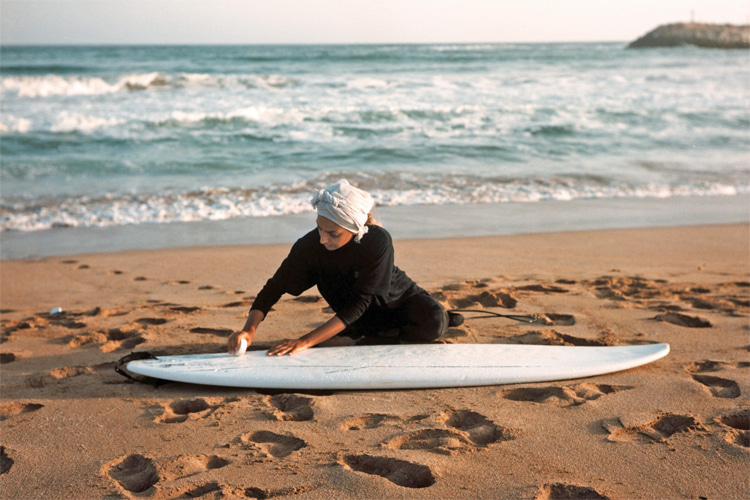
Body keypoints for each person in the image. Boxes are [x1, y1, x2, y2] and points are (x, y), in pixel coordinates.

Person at [227, 179, 461, 357]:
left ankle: (382, 336)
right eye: (319, 228)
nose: (322, 239)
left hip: (400, 307)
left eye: (333, 233)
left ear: (355, 230)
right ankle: (376, 338)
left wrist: (305, 341)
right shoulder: (308, 247)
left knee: (435, 319)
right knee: (356, 328)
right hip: (355, 318)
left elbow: (363, 301)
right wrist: (249, 330)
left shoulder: (377, 241)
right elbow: (273, 288)